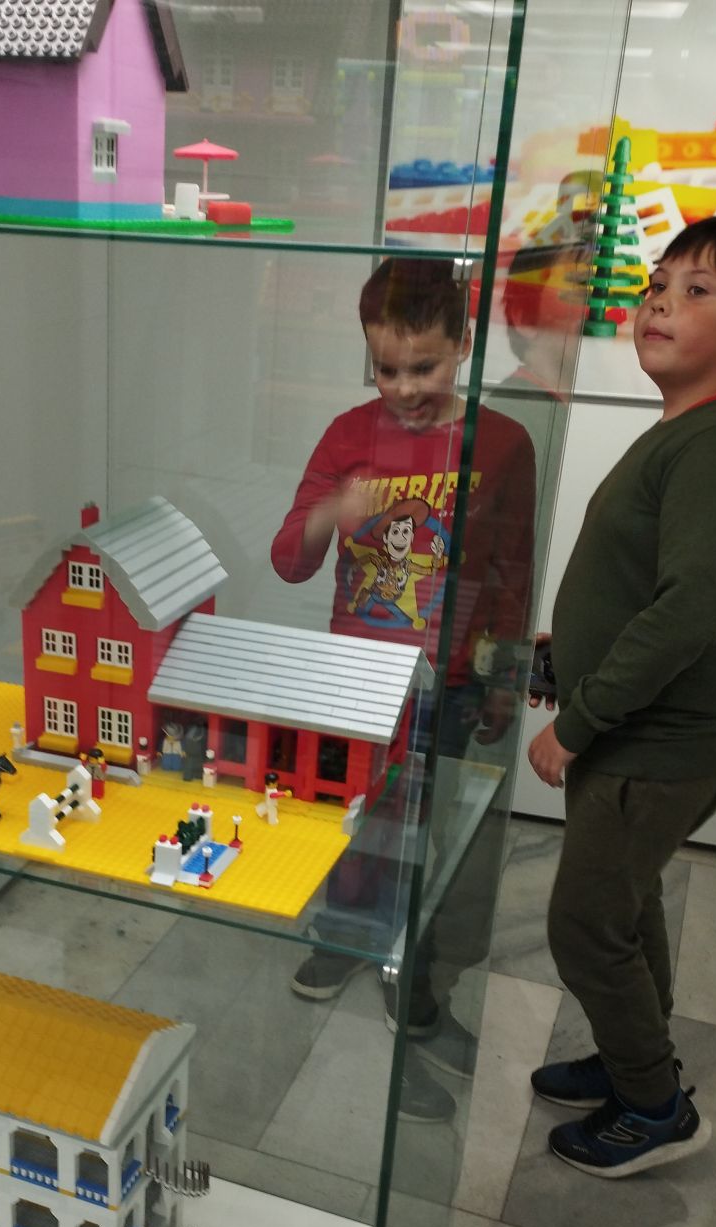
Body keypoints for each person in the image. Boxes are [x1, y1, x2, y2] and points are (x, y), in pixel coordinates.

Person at [527, 214, 716, 1177]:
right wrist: (570, 650)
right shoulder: (692, 429)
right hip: (638, 734)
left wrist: (580, 721)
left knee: (584, 924)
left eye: (697, 290)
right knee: (625, 904)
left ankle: (654, 1106)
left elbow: (688, 613)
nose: (661, 304)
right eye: (657, 285)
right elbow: (644, 581)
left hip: (655, 743)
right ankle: (630, 1054)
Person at [271, 256, 536, 1122]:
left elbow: (512, 570)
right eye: (385, 368)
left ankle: (414, 968)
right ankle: (344, 936)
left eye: (424, 366)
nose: (405, 388)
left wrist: (504, 679)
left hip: (451, 681)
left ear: (464, 344)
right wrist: (330, 512)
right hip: (356, 678)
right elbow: (288, 559)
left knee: (433, 834)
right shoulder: (348, 435)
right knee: (353, 817)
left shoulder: (503, 444)